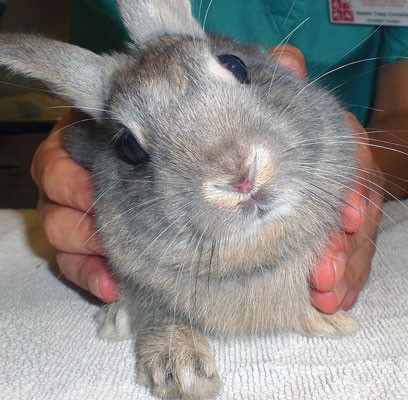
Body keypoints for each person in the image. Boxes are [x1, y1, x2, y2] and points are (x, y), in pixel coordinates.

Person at [31, 1, 407, 313]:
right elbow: (126, 85)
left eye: (233, 69)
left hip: (320, 151)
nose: (240, 174)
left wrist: (364, 165)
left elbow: (401, 112)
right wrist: (75, 148)